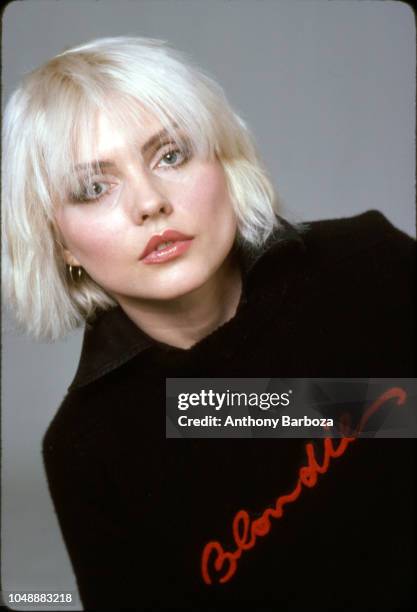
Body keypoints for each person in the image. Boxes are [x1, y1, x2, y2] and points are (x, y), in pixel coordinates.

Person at [3, 36, 415, 610]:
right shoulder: (88, 448)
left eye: (169, 155)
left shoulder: (368, 263)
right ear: (59, 241)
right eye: (94, 188)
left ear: (223, 161)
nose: (148, 202)